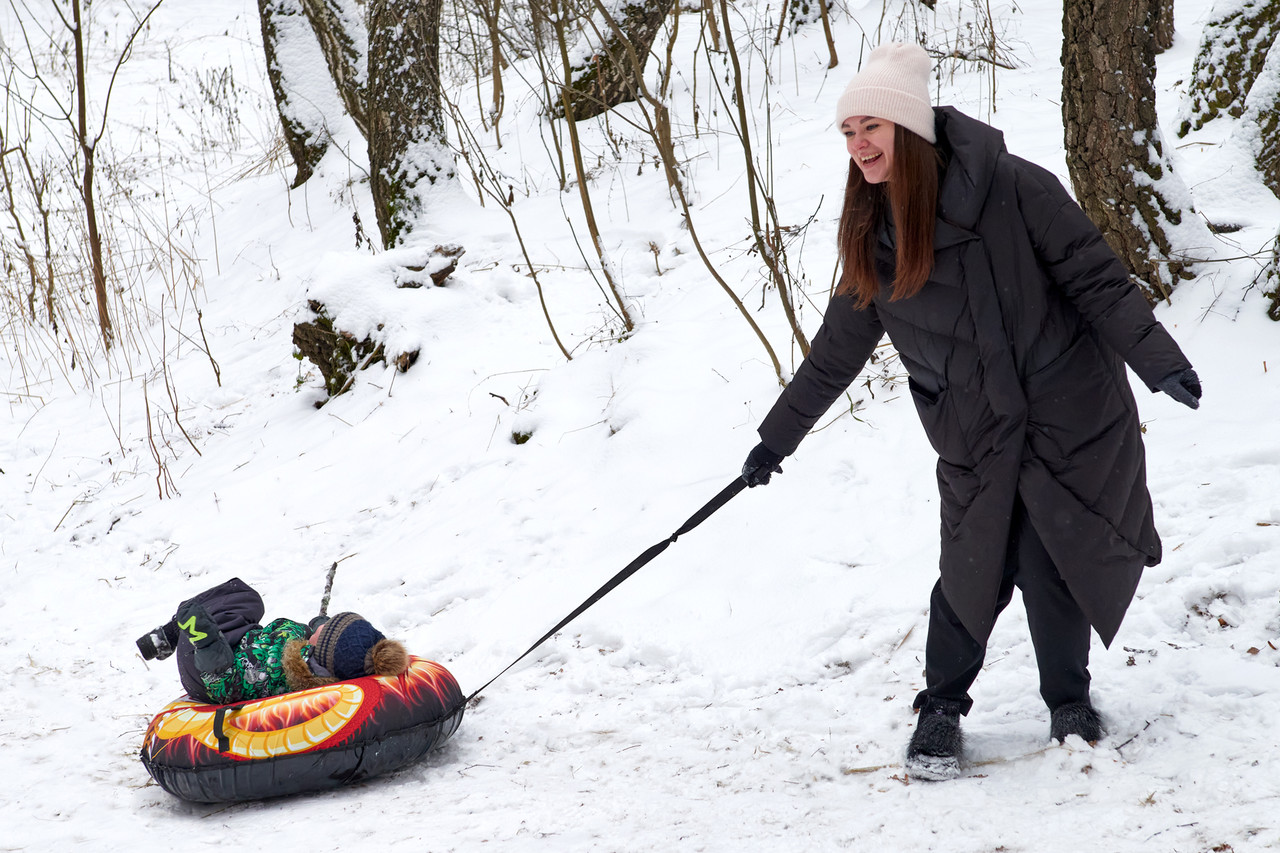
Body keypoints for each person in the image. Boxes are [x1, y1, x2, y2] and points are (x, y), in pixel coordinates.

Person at [739, 42, 1201, 781]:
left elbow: (1096, 278)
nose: (858, 146)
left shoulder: (1016, 188)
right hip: (973, 430)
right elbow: (834, 352)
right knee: (969, 570)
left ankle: (1069, 702)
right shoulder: (875, 236)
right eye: (847, 132)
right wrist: (775, 441)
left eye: (871, 128)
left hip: (1062, 411)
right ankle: (941, 710)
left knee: (1055, 557)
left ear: (909, 130)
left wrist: (1160, 361)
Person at [136, 577, 410, 705]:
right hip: (242, 638)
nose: (317, 629)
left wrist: (205, 641)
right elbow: (318, 637)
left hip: (207, 667)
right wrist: (316, 626)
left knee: (202, 609)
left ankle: (173, 632)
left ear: (320, 648)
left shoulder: (278, 676)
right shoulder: (313, 656)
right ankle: (173, 633)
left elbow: (226, 687)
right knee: (247, 596)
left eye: (323, 631)